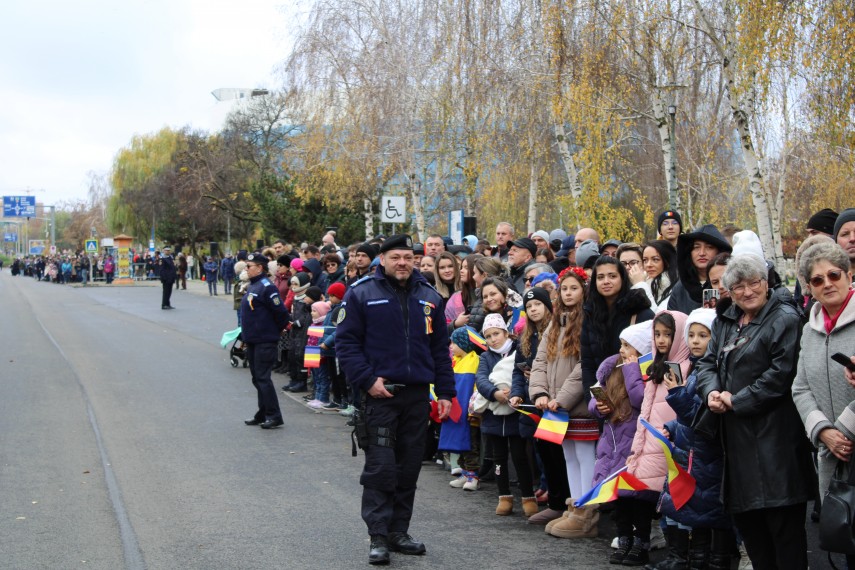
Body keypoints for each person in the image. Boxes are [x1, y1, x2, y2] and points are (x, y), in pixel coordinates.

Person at [336, 234, 455, 565]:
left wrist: (445, 392)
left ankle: (398, 531)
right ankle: (378, 535)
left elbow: (439, 351)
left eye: (407, 257)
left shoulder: (430, 298)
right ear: (382, 261)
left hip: (417, 397)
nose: (402, 262)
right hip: (380, 397)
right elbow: (346, 345)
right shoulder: (361, 294)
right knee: (381, 467)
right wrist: (367, 380)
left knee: (409, 467)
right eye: (395, 257)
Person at [696, 254, 814, 569]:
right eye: (738, 287)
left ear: (766, 282)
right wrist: (711, 393)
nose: (747, 292)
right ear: (729, 291)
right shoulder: (726, 320)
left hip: (777, 445)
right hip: (737, 447)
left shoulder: (785, 319)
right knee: (755, 540)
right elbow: (706, 363)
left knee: (785, 540)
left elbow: (780, 377)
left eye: (754, 283)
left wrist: (736, 400)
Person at [792, 241, 855, 566]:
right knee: (846, 546)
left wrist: (842, 430)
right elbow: (800, 388)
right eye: (817, 280)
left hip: (846, 446)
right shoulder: (809, 331)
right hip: (834, 457)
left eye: (834, 274)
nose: (827, 283)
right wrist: (824, 432)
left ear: (849, 274)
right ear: (810, 288)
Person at [589, 320, 651, 565]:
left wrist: (632, 369)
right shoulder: (612, 367)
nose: (622, 350)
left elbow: (639, 399)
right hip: (613, 443)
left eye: (628, 345)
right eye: (621, 344)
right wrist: (598, 406)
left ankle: (641, 542)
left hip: (633, 444)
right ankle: (624, 538)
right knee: (621, 499)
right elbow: (596, 392)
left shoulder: (643, 371)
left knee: (639, 499)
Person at [472, 313, 537, 518]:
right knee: (498, 458)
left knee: (520, 456)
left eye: (496, 333)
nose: (493, 339)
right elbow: (481, 379)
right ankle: (504, 496)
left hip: (515, 413)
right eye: (488, 336)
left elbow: (523, 373)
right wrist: (494, 393)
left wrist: (513, 391)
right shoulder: (485, 357)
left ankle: (528, 496)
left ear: (505, 332)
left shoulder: (519, 350)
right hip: (493, 414)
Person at [241, 253, 289, 429]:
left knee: (263, 378)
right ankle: (263, 412)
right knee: (257, 378)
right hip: (254, 340)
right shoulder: (254, 285)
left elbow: (281, 314)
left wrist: (271, 333)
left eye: (249, 266)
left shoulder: (267, 287)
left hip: (264, 340)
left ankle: (274, 415)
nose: (246, 269)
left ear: (260, 267)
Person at [668, 225, 732, 314]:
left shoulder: (730, 284)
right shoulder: (680, 289)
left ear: (719, 251)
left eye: (709, 247)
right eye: (696, 247)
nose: (702, 253)